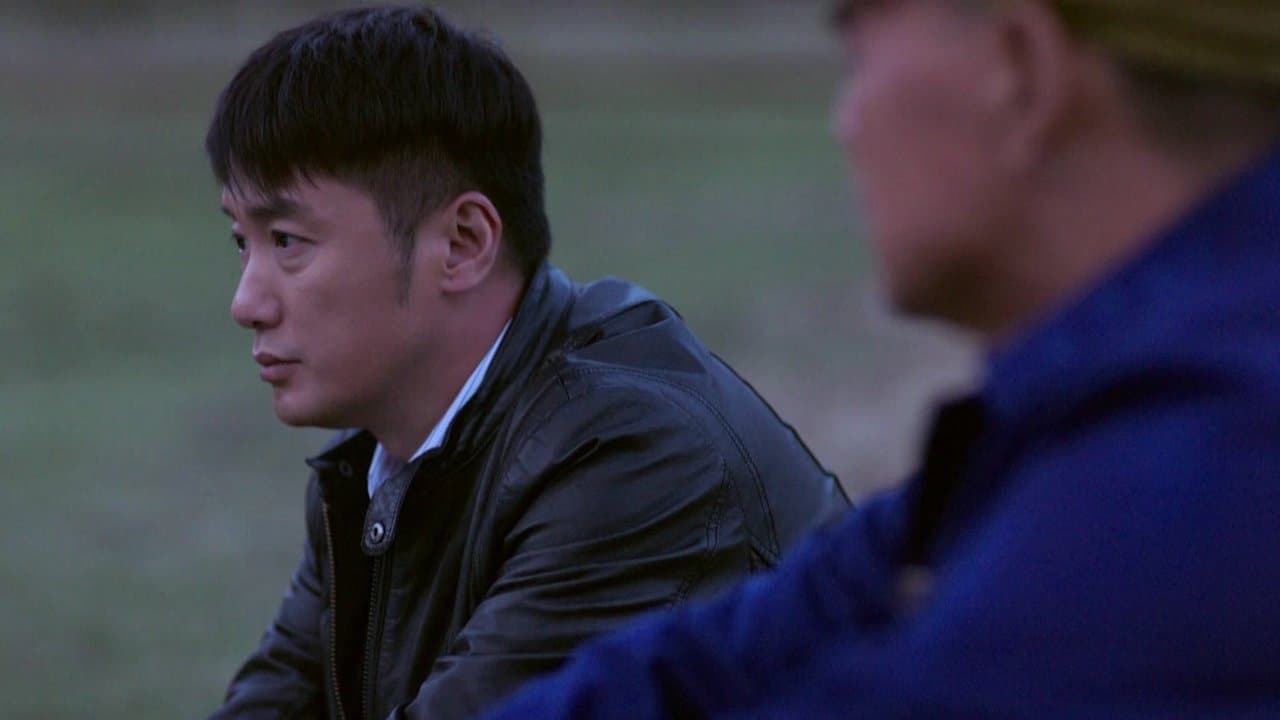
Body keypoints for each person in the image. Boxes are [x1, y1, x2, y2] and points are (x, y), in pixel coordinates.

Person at [485, 1, 1280, 717]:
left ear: (1021, 69)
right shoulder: (1102, 414)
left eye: (858, 55)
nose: (846, 123)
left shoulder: (1179, 488)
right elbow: (740, 648)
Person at [203, 6, 848, 719]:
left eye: (287, 241)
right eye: (242, 242)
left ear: (463, 243)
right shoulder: (373, 461)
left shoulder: (631, 457)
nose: (246, 302)